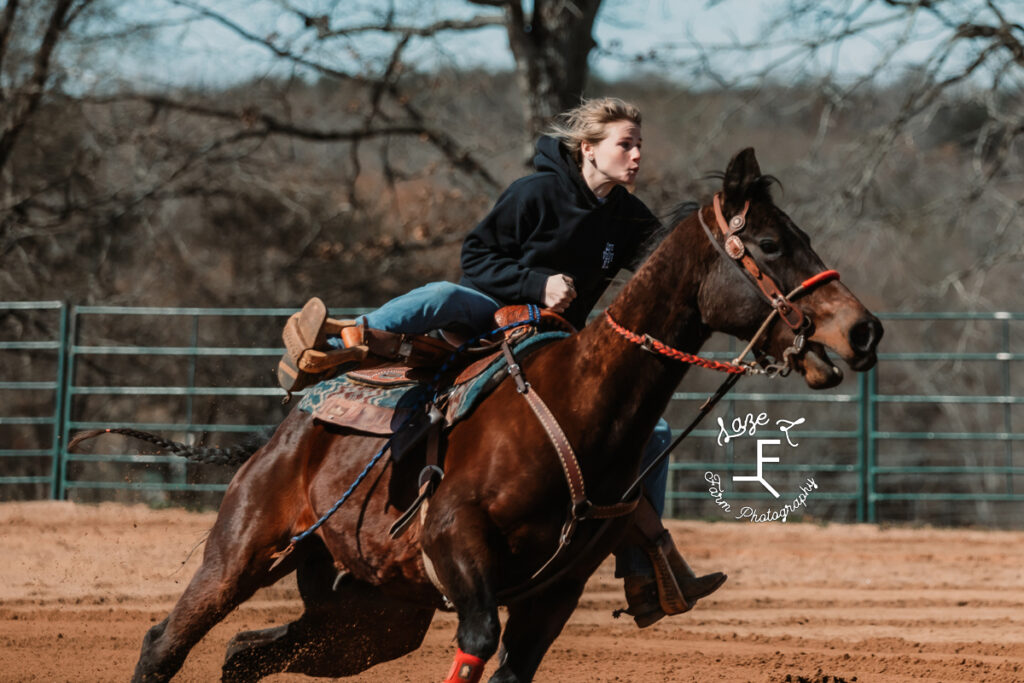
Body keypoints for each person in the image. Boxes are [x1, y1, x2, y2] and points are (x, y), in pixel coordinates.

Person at [278, 97, 725, 626]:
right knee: (441, 294)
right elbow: (476, 258)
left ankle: (644, 572)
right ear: (589, 149)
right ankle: (331, 349)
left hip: (557, 343)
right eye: (624, 145)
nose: (635, 157)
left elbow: (667, 264)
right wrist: (537, 283)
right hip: (491, 313)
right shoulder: (535, 193)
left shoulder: (627, 216)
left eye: (639, 147)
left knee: (653, 433)